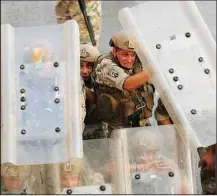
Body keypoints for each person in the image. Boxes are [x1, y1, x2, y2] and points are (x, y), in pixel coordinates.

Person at [92, 31, 155, 137]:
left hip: (141, 123)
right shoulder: (105, 65)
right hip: (117, 129)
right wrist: (155, 68)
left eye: (132, 55)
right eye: (125, 55)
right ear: (115, 51)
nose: (129, 59)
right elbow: (128, 84)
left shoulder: (138, 61)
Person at [154, 98, 216, 194]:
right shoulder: (173, 92)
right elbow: (162, 115)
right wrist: (175, 144)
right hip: (202, 141)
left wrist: (211, 153)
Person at [103, 130, 190, 194]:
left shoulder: (164, 163)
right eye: (139, 152)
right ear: (133, 152)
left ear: (156, 152)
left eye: (149, 153)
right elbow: (107, 169)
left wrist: (175, 171)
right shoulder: (129, 161)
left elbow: (184, 189)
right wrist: (140, 168)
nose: (144, 158)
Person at [80, 44, 107, 139]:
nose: (84, 71)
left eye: (89, 66)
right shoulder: (65, 84)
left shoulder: (101, 84)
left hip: (96, 132)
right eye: (80, 65)